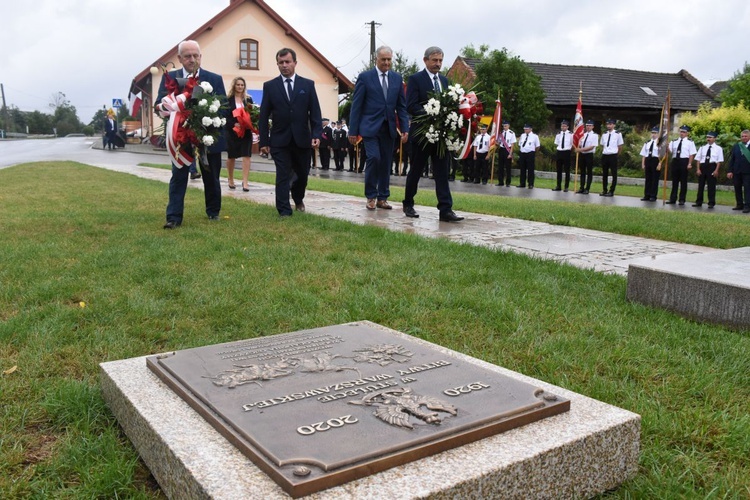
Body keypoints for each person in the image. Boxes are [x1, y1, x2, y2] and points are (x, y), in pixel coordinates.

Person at [156, 40, 226, 229]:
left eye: (196, 55)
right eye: (187, 56)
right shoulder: (170, 78)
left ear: (200, 56)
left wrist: (209, 120)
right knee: (178, 176)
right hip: (180, 137)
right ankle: (173, 217)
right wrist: (165, 109)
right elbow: (159, 105)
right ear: (179, 58)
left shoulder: (214, 79)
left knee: (211, 177)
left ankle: (213, 212)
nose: (192, 59)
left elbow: (223, 108)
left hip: (207, 136)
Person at [259, 47, 322, 217]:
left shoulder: (307, 85)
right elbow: (263, 116)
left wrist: (316, 135)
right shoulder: (270, 86)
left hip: (302, 139)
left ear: (295, 63)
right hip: (280, 139)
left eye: (287, 62)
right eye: (281, 63)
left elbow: (315, 113)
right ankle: (284, 210)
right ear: (277, 64)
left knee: (302, 175)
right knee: (282, 174)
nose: (284, 65)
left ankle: (298, 198)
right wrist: (264, 142)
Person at [402, 46, 463, 222]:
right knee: (416, 170)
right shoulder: (415, 79)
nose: (437, 64)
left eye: (440, 61)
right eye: (434, 60)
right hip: (422, 134)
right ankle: (408, 203)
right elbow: (411, 106)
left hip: (441, 136)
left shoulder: (445, 82)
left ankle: (445, 210)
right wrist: (431, 114)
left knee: (442, 172)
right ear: (425, 60)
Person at [348, 46, 409, 210]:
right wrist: (353, 131)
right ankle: (370, 196)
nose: (387, 62)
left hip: (389, 128)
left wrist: (405, 128)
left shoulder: (397, 79)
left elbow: (401, 107)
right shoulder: (365, 77)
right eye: (383, 59)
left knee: (386, 163)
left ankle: (383, 197)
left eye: (389, 59)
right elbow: (357, 105)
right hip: (369, 127)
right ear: (377, 59)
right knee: (374, 158)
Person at [225, 76, 255, 192]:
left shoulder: (248, 100)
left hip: (246, 131)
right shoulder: (228, 100)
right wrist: (234, 124)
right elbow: (226, 116)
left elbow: (252, 115)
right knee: (231, 156)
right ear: (234, 86)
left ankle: (245, 182)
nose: (240, 87)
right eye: (238, 84)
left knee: (246, 155)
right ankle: (231, 179)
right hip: (232, 131)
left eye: (242, 85)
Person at [666, 125, 697, 205]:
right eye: (681, 132)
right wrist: (666, 146)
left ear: (687, 133)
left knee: (683, 181)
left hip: (684, 161)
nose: (682, 133)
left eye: (684, 132)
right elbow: (670, 151)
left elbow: (691, 154)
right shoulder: (674, 141)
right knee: (674, 181)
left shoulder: (690, 142)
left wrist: (689, 163)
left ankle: (682, 199)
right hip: (675, 161)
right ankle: (673, 198)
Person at [693, 131, 723, 208]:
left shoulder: (718, 149)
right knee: (701, 185)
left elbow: (719, 161)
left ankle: (711, 202)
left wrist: (716, 170)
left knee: (711, 186)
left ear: (715, 138)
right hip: (703, 167)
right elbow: (698, 159)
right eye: (707, 137)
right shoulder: (702, 148)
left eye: (710, 137)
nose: (708, 139)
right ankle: (699, 201)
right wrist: (698, 169)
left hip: (712, 166)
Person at [727, 129, 750, 213]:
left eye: (746, 136)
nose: (744, 138)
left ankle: (747, 206)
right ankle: (739, 204)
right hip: (737, 171)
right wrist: (730, 171)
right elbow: (732, 159)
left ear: (749, 136)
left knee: (747, 189)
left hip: (748, 172)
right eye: (742, 136)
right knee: (737, 188)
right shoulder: (737, 146)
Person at [599, 118, 623, 196]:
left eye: (610, 124)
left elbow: (620, 146)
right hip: (605, 155)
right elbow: (602, 146)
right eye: (608, 124)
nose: (609, 126)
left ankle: (611, 191)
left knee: (614, 174)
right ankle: (604, 190)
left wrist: (616, 155)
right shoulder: (604, 134)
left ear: (614, 125)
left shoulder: (618, 134)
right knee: (604, 174)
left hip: (613, 155)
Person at [575, 120, 598, 194]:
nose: (588, 127)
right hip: (582, 155)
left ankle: (587, 188)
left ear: (593, 127)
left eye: (590, 125)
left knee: (589, 172)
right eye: (587, 125)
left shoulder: (595, 135)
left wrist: (580, 149)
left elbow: (591, 147)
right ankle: (581, 187)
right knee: (582, 172)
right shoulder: (583, 135)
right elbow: (580, 144)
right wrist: (578, 146)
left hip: (589, 154)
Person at [639, 126, 661, 202]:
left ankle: (653, 195)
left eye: (655, 133)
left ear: (658, 134)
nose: (653, 135)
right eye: (652, 133)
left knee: (654, 179)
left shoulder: (660, 143)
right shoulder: (647, 142)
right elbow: (644, 154)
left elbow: (662, 155)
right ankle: (647, 195)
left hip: (656, 160)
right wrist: (643, 164)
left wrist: (660, 163)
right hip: (648, 160)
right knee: (648, 179)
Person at [516, 124, 540, 189]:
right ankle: (522, 183)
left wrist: (533, 152)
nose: (525, 130)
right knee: (522, 169)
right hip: (522, 153)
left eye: (527, 129)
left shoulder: (535, 136)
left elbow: (537, 146)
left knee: (530, 169)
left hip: (530, 153)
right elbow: (520, 144)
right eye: (524, 129)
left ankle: (530, 184)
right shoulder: (522, 135)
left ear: (530, 129)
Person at [553, 119, 573, 191]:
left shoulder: (571, 134)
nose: (563, 127)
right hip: (559, 151)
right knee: (559, 170)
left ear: (567, 127)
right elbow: (557, 143)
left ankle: (566, 186)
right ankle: (558, 186)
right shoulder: (558, 134)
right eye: (562, 126)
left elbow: (572, 144)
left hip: (566, 152)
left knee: (567, 170)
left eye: (564, 126)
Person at [496, 120, 516, 187]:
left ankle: (508, 182)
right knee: (500, 167)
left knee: (508, 167)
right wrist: (495, 143)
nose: (504, 127)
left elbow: (512, 144)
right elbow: (499, 142)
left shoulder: (512, 133)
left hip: (508, 150)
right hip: (501, 149)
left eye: (506, 126)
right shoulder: (501, 133)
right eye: (503, 126)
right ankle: (500, 182)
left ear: (508, 126)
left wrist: (510, 154)